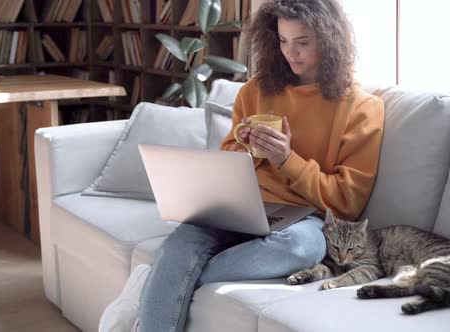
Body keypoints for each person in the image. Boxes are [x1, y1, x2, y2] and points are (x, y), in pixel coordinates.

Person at [136, 0, 385, 331]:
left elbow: (347, 201)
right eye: (282, 41)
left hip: (302, 218)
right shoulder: (255, 90)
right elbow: (228, 159)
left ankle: (172, 276)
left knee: (302, 248)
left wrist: (286, 160)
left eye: (302, 42)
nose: (290, 53)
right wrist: (247, 147)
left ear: (329, 38)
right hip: (241, 205)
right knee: (180, 241)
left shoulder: (362, 108)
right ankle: (172, 274)